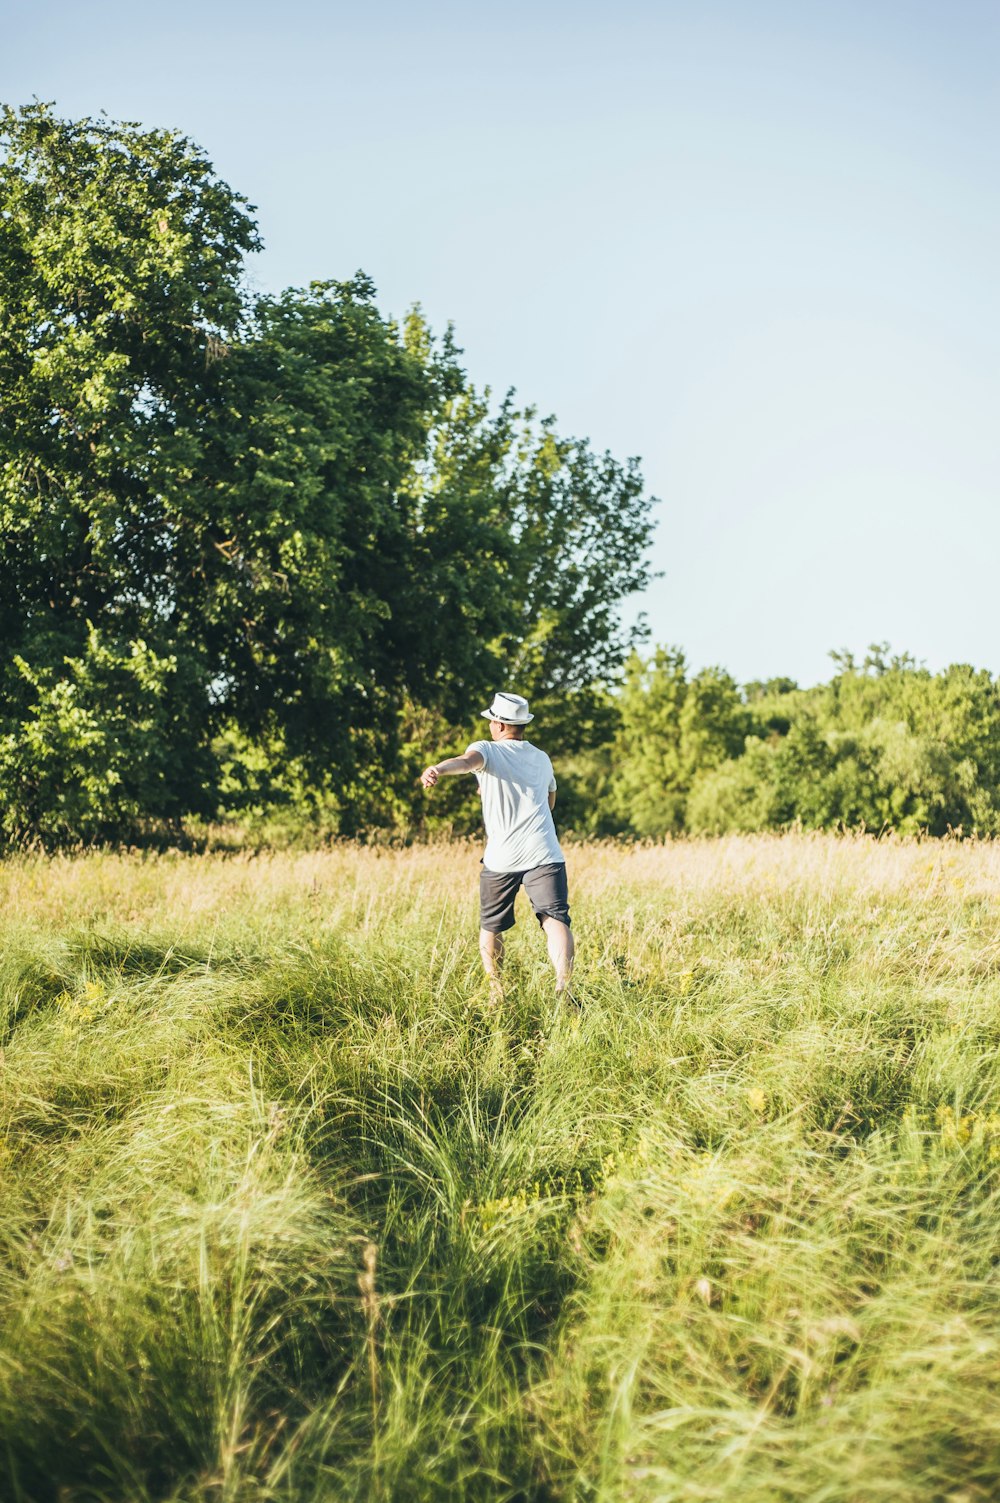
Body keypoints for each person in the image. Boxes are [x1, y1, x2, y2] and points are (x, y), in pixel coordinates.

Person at [420, 691, 574, 998]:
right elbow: (549, 801)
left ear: (500, 724)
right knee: (554, 918)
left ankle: (496, 989)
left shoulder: (486, 750)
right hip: (544, 851)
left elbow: (465, 762)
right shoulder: (541, 757)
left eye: (492, 720)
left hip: (502, 857)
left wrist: (438, 768)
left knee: (491, 926)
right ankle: (563, 985)